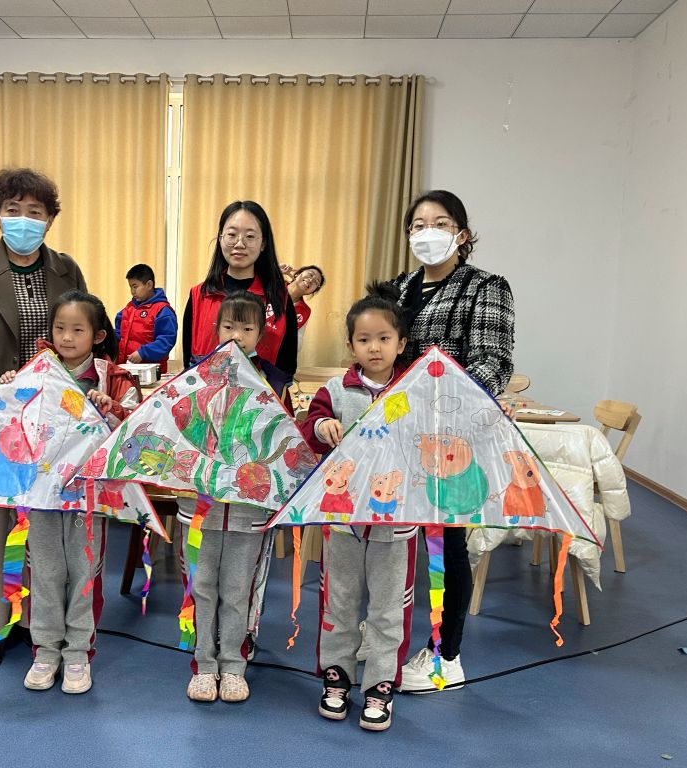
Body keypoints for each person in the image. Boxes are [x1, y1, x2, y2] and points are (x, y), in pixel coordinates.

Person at [0, 167, 86, 670]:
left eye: (34, 212)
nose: (23, 220)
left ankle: (33, 620)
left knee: (42, 521)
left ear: (50, 219)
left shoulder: (66, 269)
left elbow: (81, 326)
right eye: (13, 210)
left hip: (49, 414)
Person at [390, 190, 515, 692]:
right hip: (399, 433)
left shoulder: (485, 287)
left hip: (451, 438)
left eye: (440, 223)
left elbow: (493, 363)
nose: (428, 232)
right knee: (391, 538)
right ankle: (387, 637)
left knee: (446, 546)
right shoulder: (398, 288)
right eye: (418, 225)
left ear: (462, 234)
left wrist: (438, 403)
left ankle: (446, 656)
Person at [0, 290, 140, 694]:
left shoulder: (115, 378)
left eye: (77, 330)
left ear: (97, 335)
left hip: (88, 497)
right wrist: (9, 388)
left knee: (83, 575)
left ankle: (78, 653)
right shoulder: (36, 372)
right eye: (60, 328)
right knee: (44, 574)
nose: (66, 337)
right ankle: (45, 651)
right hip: (42, 495)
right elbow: (11, 422)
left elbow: (137, 433)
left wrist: (113, 408)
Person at [300, 280, 417, 731]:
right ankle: (337, 677)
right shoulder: (336, 389)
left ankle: (380, 685)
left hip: (396, 522)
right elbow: (309, 426)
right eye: (364, 339)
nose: (374, 347)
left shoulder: (414, 390)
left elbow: (435, 436)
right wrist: (322, 424)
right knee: (339, 601)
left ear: (400, 343)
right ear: (351, 345)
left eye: (384, 338)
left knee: (388, 608)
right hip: (343, 519)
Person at [179, 291, 288, 705]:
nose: (237, 335)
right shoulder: (196, 376)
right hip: (201, 506)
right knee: (202, 584)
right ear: (215, 328)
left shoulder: (275, 381)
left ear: (261, 333)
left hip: (248, 509)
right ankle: (204, 664)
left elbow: (285, 442)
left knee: (240, 589)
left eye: (246, 328)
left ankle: (233, 664)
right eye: (229, 326)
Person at [182, 200, 298, 380]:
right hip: (209, 396)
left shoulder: (279, 297)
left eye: (250, 236)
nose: (239, 243)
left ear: (263, 243)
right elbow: (188, 365)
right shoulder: (200, 295)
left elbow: (287, 366)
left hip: (264, 396)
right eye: (232, 234)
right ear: (220, 238)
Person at [114, 264, 177, 372]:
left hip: (152, 372)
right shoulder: (128, 309)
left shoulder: (163, 311)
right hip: (126, 369)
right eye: (130, 287)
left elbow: (166, 340)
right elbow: (119, 334)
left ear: (149, 285)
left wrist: (143, 353)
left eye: (135, 286)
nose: (132, 291)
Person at [280, 264, 326, 349]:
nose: (311, 280)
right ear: (297, 274)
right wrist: (277, 269)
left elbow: (298, 342)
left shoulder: (305, 311)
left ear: (313, 291)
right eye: (311, 274)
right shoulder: (275, 285)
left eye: (316, 282)